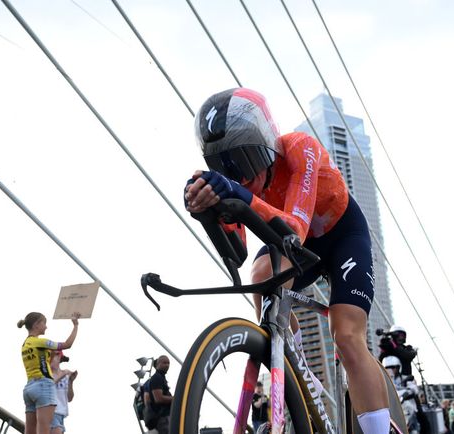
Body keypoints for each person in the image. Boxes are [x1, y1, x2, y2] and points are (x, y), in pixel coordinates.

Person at [185, 88, 389, 433]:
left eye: (246, 161)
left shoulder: (299, 148)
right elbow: (237, 252)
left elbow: (294, 226)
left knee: (346, 335)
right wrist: (206, 213)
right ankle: (297, 373)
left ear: (266, 145)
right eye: (227, 168)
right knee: (261, 274)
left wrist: (237, 193)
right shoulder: (242, 185)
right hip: (295, 243)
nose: (241, 176)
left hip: (341, 236)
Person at [18, 311, 79, 434]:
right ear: (36, 325)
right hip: (43, 386)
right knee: (44, 430)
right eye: (44, 323)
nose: (46, 326)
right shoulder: (40, 342)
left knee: (29, 431)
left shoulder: (25, 344)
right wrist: (75, 326)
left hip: (29, 387)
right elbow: (67, 344)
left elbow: (44, 361)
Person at [50, 350, 77, 434]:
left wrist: (71, 381)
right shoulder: (47, 375)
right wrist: (63, 374)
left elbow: (70, 398)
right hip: (51, 412)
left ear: (59, 358)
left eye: (52, 357)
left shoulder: (65, 376)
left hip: (61, 415)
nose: (49, 360)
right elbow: (48, 386)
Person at [148, 355, 172, 434]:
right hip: (162, 418)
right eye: (164, 363)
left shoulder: (161, 378)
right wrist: (175, 399)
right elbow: (158, 398)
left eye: (168, 363)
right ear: (158, 364)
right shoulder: (157, 378)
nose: (167, 365)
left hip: (166, 417)